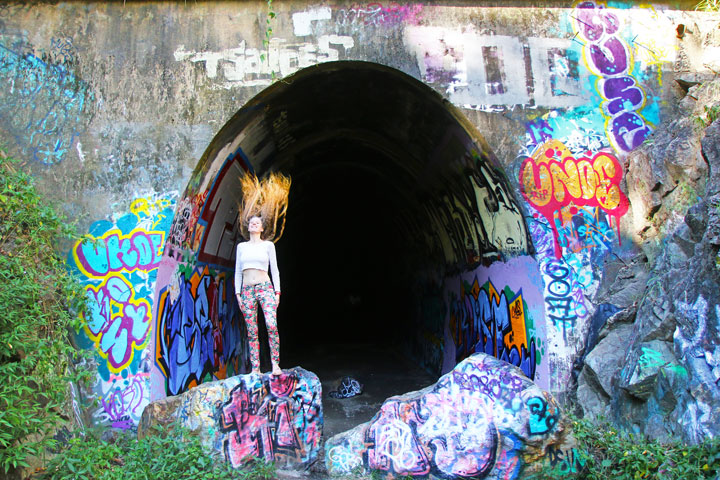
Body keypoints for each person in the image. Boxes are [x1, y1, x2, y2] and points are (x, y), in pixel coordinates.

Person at [234, 172, 291, 376]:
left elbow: (274, 270)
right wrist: (238, 295)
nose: (253, 225)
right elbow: (237, 272)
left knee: (271, 325)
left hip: (265, 287)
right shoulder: (241, 247)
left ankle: (275, 365)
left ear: (262, 228)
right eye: (251, 223)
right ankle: (256, 369)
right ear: (248, 227)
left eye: (257, 223)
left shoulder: (268, 246)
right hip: (247, 290)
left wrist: (277, 293)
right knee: (252, 331)